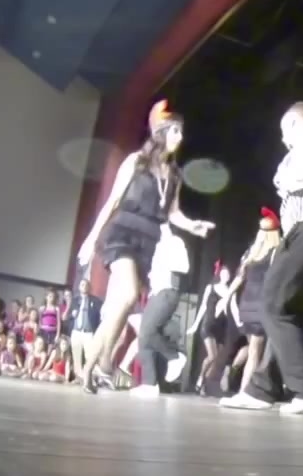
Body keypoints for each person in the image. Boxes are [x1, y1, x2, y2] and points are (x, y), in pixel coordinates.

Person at [77, 100, 215, 394]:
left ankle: (97, 367)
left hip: (148, 242)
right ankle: (96, 367)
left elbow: (173, 213)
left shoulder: (174, 175)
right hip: (122, 233)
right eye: (175, 131)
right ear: (161, 132)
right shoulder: (135, 162)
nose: (180, 136)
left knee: (122, 305)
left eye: (181, 132)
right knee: (128, 295)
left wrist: (193, 225)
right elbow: (113, 201)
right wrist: (90, 239)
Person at [220, 101, 303, 415]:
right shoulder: (300, 149)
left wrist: (292, 181)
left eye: (284, 131)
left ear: (293, 123)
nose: (284, 139)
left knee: (272, 304)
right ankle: (263, 388)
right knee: (288, 315)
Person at [218, 207, 282, 394]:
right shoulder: (275, 253)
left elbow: (239, 278)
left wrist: (226, 298)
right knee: (256, 352)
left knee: (253, 349)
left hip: (246, 305)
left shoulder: (251, 253)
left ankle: (244, 388)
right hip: (261, 305)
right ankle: (246, 392)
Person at [131, 223, 191, 398]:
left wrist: (166, 260)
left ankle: (175, 357)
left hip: (167, 292)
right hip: (156, 293)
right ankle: (149, 384)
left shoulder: (175, 242)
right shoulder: (156, 245)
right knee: (144, 337)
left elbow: (184, 267)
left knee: (148, 332)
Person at [186, 260, 234, 395]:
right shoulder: (211, 287)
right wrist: (195, 325)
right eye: (223, 273)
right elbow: (203, 307)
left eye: (228, 274)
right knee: (212, 356)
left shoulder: (230, 291)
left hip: (221, 327)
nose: (226, 276)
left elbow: (230, 310)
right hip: (208, 324)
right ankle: (200, 378)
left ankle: (203, 384)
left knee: (217, 359)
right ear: (219, 274)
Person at [65, 279, 102, 382]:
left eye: (86, 285)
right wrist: (72, 315)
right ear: (79, 287)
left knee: (90, 356)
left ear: (89, 287)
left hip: (88, 333)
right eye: (82, 284)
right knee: (76, 357)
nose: (84, 286)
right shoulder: (74, 300)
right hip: (76, 332)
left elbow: (99, 317)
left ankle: (90, 378)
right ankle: (79, 378)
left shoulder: (96, 301)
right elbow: (67, 317)